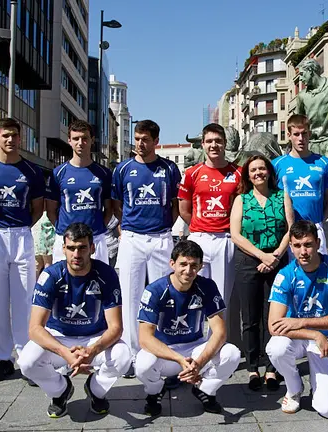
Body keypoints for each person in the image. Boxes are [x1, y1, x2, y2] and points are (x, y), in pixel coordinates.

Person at [18, 223, 132, 418]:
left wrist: (92, 350)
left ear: (92, 248)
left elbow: (116, 327)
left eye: (82, 248)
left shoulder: (106, 273)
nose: (76, 254)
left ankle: (96, 390)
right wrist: (65, 353)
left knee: (123, 357)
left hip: (94, 338)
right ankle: (60, 391)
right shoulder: (50, 275)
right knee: (27, 362)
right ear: (63, 249)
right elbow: (35, 329)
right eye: (71, 248)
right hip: (60, 337)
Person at [0, 117, 45, 383]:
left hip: (22, 236)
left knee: (26, 300)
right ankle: (3, 359)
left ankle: (27, 359)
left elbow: (37, 208)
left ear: (20, 138)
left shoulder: (33, 171)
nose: (10, 140)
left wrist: (21, 228)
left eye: (15, 135)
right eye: (5, 136)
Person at [135, 240, 241, 416]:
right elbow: (145, 339)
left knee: (232, 353)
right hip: (166, 351)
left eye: (193, 265)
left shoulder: (207, 286)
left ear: (200, 267)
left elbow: (220, 332)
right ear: (172, 264)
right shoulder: (155, 290)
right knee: (142, 364)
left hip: (194, 349)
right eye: (183, 264)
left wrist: (198, 364)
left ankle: (205, 389)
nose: (188, 270)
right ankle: (154, 393)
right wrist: (179, 360)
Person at [111, 119, 181, 376]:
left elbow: (175, 205)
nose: (140, 144)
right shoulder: (122, 169)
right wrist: (129, 228)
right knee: (129, 296)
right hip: (132, 238)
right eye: (137, 139)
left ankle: (163, 353)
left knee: (163, 296)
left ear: (155, 141)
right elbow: (118, 206)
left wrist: (163, 227)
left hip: (161, 237)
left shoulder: (169, 168)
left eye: (145, 139)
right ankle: (131, 354)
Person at [265, 220, 328, 418]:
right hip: (298, 336)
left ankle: (321, 382)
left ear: (318, 242)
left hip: (326, 340)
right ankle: (294, 387)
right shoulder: (285, 275)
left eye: (308, 244)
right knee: (275, 348)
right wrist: (313, 333)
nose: (303, 251)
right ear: (291, 247)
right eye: (297, 245)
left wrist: (304, 323)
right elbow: (273, 325)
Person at [229, 154, 294, 391]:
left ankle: (272, 368)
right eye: (253, 169)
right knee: (250, 317)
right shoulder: (241, 200)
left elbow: (290, 228)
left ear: (269, 172)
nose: (258, 173)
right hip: (249, 261)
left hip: (277, 260)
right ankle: (253, 367)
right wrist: (262, 256)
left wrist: (275, 255)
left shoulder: (281, 196)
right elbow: (235, 235)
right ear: (248, 174)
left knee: (274, 316)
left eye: (262, 169)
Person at [178, 123, 242, 306]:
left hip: (227, 239)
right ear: (203, 144)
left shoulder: (238, 172)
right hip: (199, 239)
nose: (214, 145)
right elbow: (184, 209)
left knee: (223, 298)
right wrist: (201, 226)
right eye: (209, 141)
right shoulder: (192, 173)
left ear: (225, 143)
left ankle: (221, 335)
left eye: (218, 141)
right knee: (196, 296)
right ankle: (196, 334)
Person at [46, 120, 113, 263]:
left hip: (96, 239)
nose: (80, 143)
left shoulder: (104, 173)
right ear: (69, 141)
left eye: (84, 138)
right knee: (64, 284)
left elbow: (109, 208)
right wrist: (62, 230)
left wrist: (99, 227)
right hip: (67, 239)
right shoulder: (58, 173)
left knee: (97, 283)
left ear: (92, 140)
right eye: (76, 139)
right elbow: (51, 209)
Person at [272, 115, 328, 253]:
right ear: (289, 135)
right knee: (291, 273)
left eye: (304, 133)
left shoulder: (325, 164)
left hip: (314, 229)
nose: (301, 138)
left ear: (310, 134)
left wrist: (318, 222)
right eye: (296, 134)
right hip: (288, 231)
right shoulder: (277, 164)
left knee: (319, 273)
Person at [32, 211, 55, 275]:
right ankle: (45, 284)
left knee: (37, 264)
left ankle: (35, 284)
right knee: (47, 263)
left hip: (37, 223)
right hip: (45, 224)